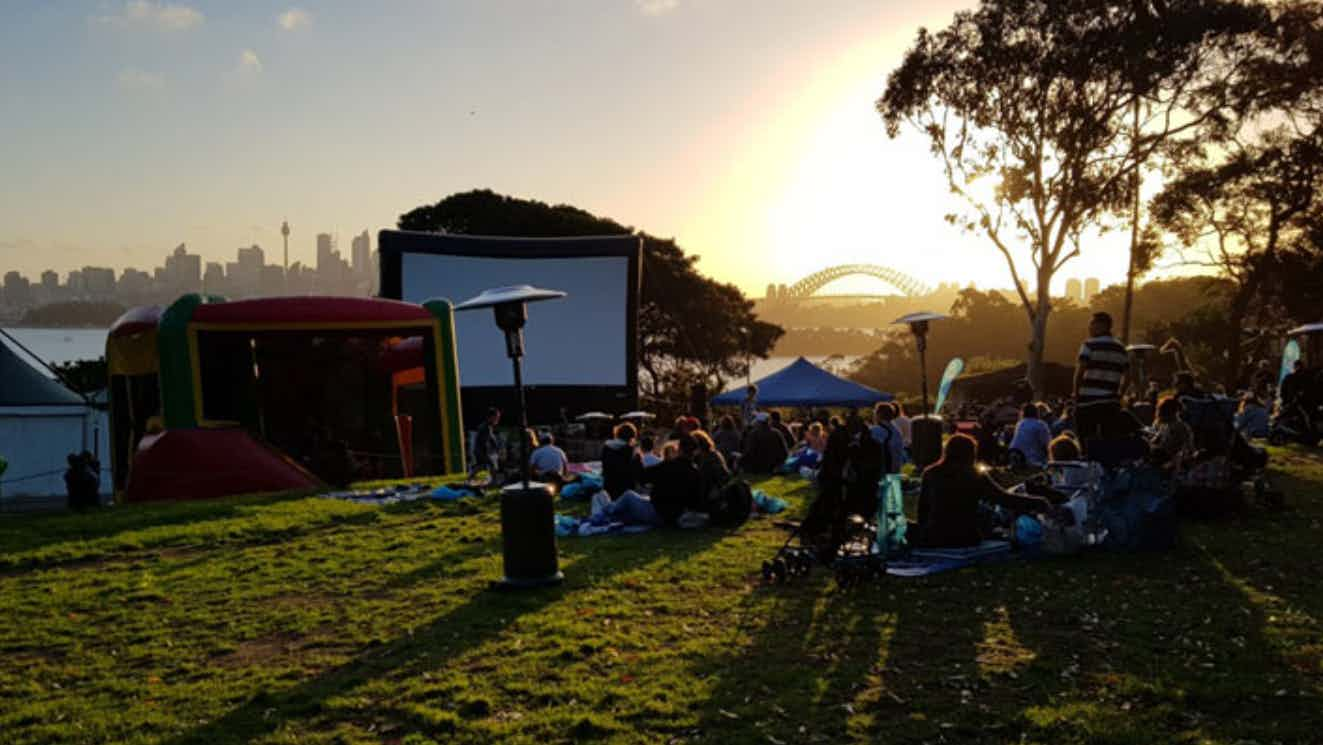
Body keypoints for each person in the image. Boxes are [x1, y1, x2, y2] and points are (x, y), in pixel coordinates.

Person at [914, 434, 1055, 549]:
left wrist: (925, 533)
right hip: (965, 538)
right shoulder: (973, 475)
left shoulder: (930, 473)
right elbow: (1005, 499)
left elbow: (922, 509)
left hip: (933, 536)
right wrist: (1040, 502)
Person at [1073, 312, 1129, 442]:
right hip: (1110, 403)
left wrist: (1076, 393)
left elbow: (1080, 372)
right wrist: (1120, 394)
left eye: (1092, 323)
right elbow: (1128, 375)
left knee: (1085, 440)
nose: (1089, 327)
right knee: (1109, 440)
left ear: (1102, 326)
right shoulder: (1121, 348)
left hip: (1088, 402)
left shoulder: (1088, 345)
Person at [600, 422, 644, 498]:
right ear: (632, 437)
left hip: (608, 488)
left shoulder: (606, 448)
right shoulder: (632, 451)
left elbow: (604, 467)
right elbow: (639, 473)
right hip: (625, 491)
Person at [1149, 396, 1193, 470]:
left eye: (1160, 412)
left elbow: (1187, 448)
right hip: (1163, 459)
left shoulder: (1180, 427)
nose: (1158, 415)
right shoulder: (1165, 426)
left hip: (1171, 463)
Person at [1008, 403, 1052, 468]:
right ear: (1037, 412)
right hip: (1032, 461)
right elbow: (1047, 445)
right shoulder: (1040, 425)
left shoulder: (1020, 424)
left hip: (1015, 458)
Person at [869, 402, 906, 475]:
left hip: (881, 471)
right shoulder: (897, 431)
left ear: (878, 414)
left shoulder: (874, 431)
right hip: (895, 470)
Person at [473, 407, 502, 477]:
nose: (498, 419)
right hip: (481, 451)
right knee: (492, 465)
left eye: (498, 417)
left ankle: (470, 476)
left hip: (479, 451)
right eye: (496, 417)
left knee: (483, 466)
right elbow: (486, 441)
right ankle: (494, 481)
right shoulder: (485, 427)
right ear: (491, 417)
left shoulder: (487, 426)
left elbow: (491, 439)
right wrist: (495, 449)